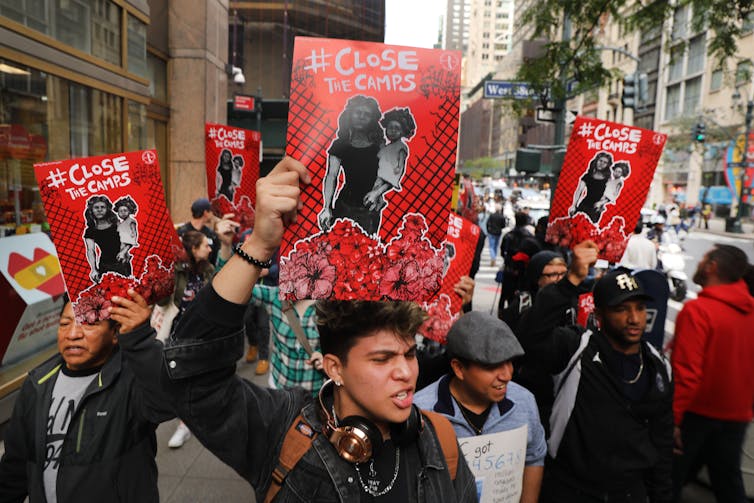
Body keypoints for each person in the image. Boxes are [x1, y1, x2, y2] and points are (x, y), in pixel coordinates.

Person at [132, 157, 476, 501]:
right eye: (382, 359)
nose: (406, 372)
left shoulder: (441, 442)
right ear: (334, 367)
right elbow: (194, 380)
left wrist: (456, 305)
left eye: (410, 353)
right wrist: (257, 248)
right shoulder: (281, 433)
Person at [522, 262, 673, 502]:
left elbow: (662, 440)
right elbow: (531, 335)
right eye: (622, 309)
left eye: (640, 308)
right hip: (570, 490)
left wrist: (661, 495)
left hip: (629, 492)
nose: (634, 318)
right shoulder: (575, 348)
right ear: (599, 315)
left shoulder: (658, 366)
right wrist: (569, 281)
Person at [0, 293, 173, 502]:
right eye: (65, 323)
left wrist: (140, 340)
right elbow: (15, 467)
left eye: (89, 324)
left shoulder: (130, 380)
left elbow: (166, 403)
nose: (72, 334)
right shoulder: (37, 384)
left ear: (115, 333)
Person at [414, 312, 547, 503]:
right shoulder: (421, 413)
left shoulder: (524, 402)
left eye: (510, 361)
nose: (507, 375)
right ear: (459, 368)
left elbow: (534, 457)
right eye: (492, 366)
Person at [671, 244, 754, 502]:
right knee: (728, 482)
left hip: (697, 414)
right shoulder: (749, 310)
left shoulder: (698, 311)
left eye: (703, 258)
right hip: (737, 414)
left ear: (712, 267)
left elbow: (686, 372)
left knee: (667, 481)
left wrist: (673, 419)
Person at [159, 229, 215, 449]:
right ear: (193, 249)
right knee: (180, 380)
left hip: (203, 333)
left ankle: (203, 416)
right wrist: (162, 278)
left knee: (204, 377)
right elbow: (163, 302)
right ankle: (184, 425)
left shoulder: (209, 269)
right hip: (178, 335)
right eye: (205, 245)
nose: (210, 248)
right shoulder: (176, 271)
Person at [319, 95, 386, 236]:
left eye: (367, 114)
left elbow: (387, 175)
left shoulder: (379, 146)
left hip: (370, 206)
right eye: (358, 112)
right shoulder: (340, 145)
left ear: (372, 119)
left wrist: (378, 194)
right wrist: (326, 207)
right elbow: (331, 176)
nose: (361, 117)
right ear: (350, 114)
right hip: (345, 205)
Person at [363, 107, 415, 213]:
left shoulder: (401, 146)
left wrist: (399, 167)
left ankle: (375, 200)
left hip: (392, 170)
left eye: (397, 129)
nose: (392, 131)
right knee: (376, 185)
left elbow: (402, 158)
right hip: (383, 170)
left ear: (403, 132)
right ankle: (379, 202)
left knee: (382, 186)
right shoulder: (387, 146)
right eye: (390, 128)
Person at [177, 198, 235, 267]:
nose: (213, 215)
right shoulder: (182, 232)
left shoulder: (212, 234)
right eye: (211, 211)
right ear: (206, 213)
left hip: (208, 274)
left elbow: (218, 258)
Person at [83, 194, 129, 281]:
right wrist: (93, 269)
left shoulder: (117, 224)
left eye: (102, 207)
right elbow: (90, 250)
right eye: (96, 207)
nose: (99, 210)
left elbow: (127, 240)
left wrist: (124, 251)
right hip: (105, 265)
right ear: (91, 210)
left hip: (122, 263)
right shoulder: (90, 231)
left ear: (107, 209)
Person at [569, 151, 613, 224]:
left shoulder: (608, 179)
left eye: (605, 162)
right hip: (584, 205)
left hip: (596, 208)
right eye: (600, 160)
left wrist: (602, 202)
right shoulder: (587, 176)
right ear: (596, 161)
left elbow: (610, 195)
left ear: (608, 165)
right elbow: (579, 191)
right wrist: (573, 205)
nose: (601, 164)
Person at [114, 195, 139, 266]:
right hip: (120, 240)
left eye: (125, 210)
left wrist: (133, 234)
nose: (123, 212)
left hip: (128, 240)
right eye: (120, 211)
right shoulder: (120, 222)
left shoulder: (131, 221)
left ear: (130, 211)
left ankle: (124, 258)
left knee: (123, 252)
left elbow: (134, 230)